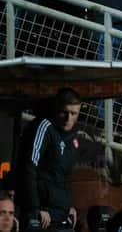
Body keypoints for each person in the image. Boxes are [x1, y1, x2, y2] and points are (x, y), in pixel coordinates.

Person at [14, 88, 82, 232]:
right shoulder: (44, 127)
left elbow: (64, 176)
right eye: (65, 112)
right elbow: (29, 167)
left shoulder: (73, 136)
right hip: (43, 216)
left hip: (62, 215)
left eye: (74, 113)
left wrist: (68, 206)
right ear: (56, 109)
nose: (68, 118)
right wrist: (35, 207)